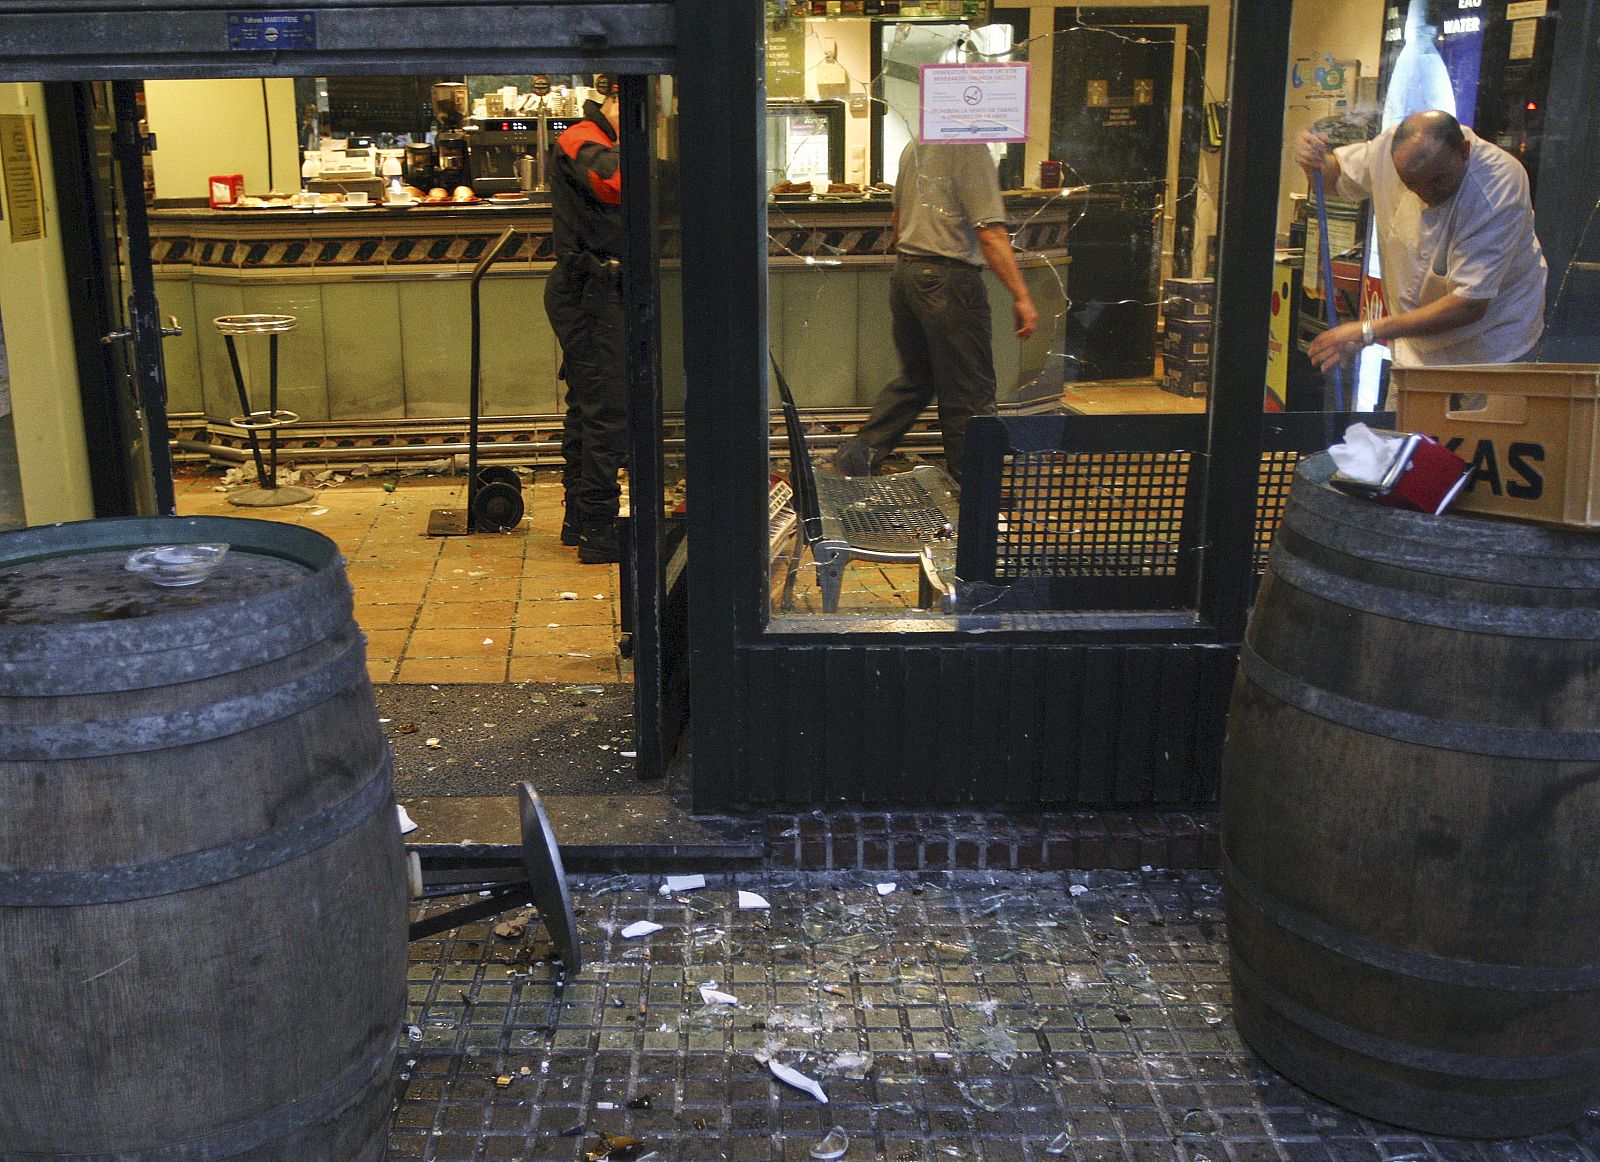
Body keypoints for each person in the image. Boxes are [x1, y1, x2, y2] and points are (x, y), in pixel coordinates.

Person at [834, 140, 1038, 482]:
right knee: (968, 392)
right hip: (949, 280)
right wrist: (1021, 296)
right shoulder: (970, 150)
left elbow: (897, 221)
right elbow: (990, 233)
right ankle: (977, 492)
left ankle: (855, 459)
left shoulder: (914, 146)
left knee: (918, 380)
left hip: (907, 274)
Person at [1295, 109, 1546, 373]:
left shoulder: (1497, 187)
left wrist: (1367, 331)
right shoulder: (1389, 150)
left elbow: (1469, 304)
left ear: (1464, 152)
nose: (1427, 193)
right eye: (1411, 183)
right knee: (1406, 414)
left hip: (1491, 347)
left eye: (1439, 179)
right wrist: (1313, 161)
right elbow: (1333, 179)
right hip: (1414, 347)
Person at [544, 87, 626, 564]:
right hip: (588, 290)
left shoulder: (604, 136)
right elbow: (610, 182)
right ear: (616, 95)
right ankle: (597, 529)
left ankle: (579, 519)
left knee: (589, 405)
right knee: (606, 410)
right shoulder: (582, 137)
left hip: (597, 288)